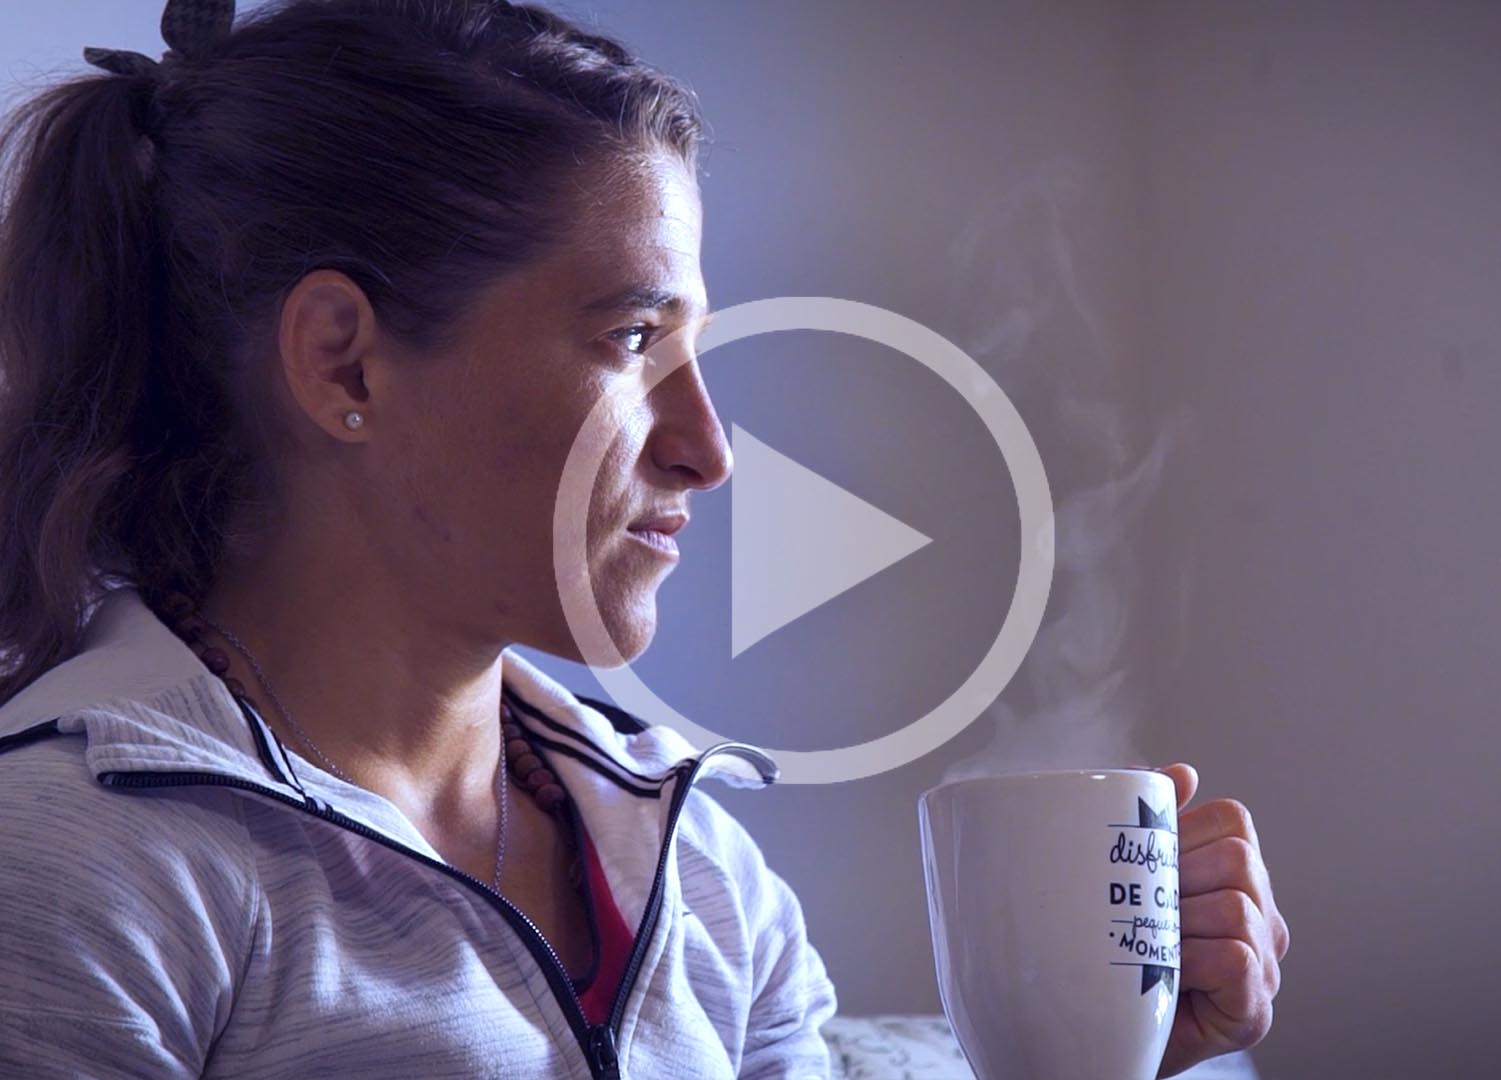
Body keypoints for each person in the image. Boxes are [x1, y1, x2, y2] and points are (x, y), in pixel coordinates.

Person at [0, 2, 1287, 1077]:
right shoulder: (76, 868)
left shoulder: (698, 867)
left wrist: (1086, 1061)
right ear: (346, 363)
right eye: (631, 339)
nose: (707, 449)